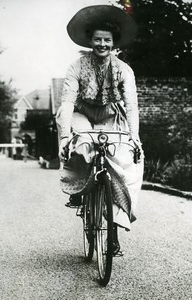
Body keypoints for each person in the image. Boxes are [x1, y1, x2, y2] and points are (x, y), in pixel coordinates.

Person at [56, 5, 144, 255]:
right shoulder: (76, 67)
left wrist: (133, 137)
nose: (102, 44)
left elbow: (132, 106)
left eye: (107, 40)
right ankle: (79, 191)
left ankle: (114, 231)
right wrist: (65, 138)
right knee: (82, 146)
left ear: (114, 44)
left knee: (124, 162)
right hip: (82, 113)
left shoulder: (124, 70)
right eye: (97, 39)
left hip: (109, 115)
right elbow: (66, 103)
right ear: (90, 41)